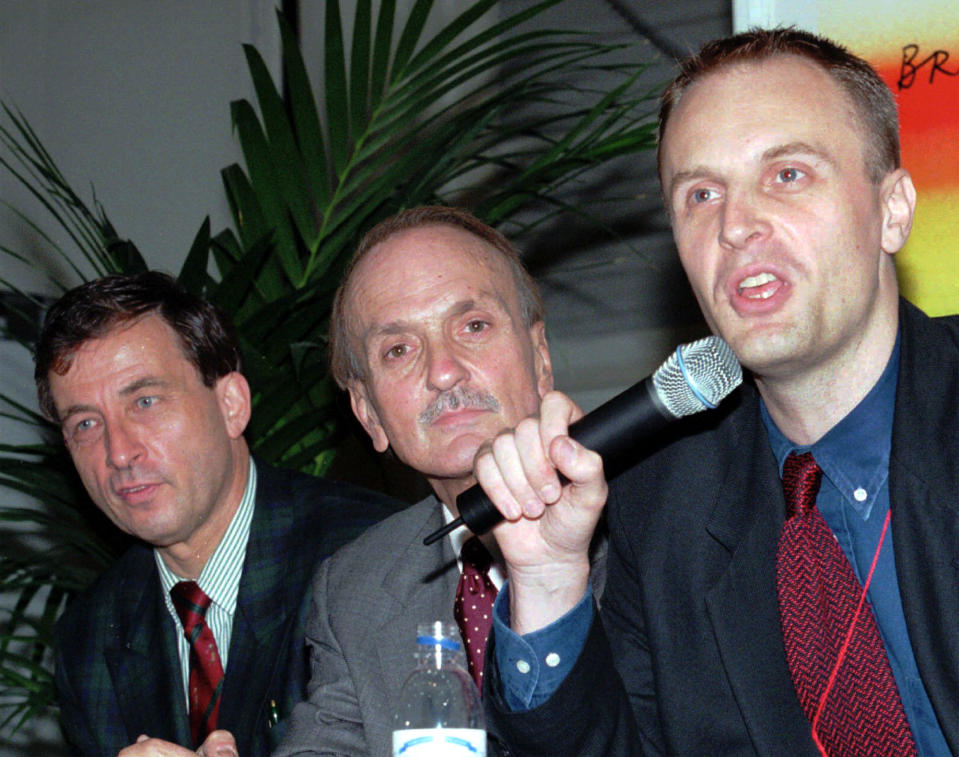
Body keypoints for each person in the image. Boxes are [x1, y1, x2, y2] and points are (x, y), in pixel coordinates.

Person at [478, 28, 959, 755]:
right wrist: (546, 579)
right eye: (700, 194)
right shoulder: (662, 502)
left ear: (891, 210)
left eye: (787, 174)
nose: (735, 226)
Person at [273, 206, 606, 757]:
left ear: (540, 357)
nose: (443, 370)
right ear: (369, 415)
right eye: (399, 349)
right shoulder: (353, 589)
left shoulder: (660, 526)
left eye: (473, 326)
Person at [38, 272, 401, 756]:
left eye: (145, 402)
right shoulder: (89, 638)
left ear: (231, 404)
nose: (118, 452)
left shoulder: (373, 557)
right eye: (85, 423)